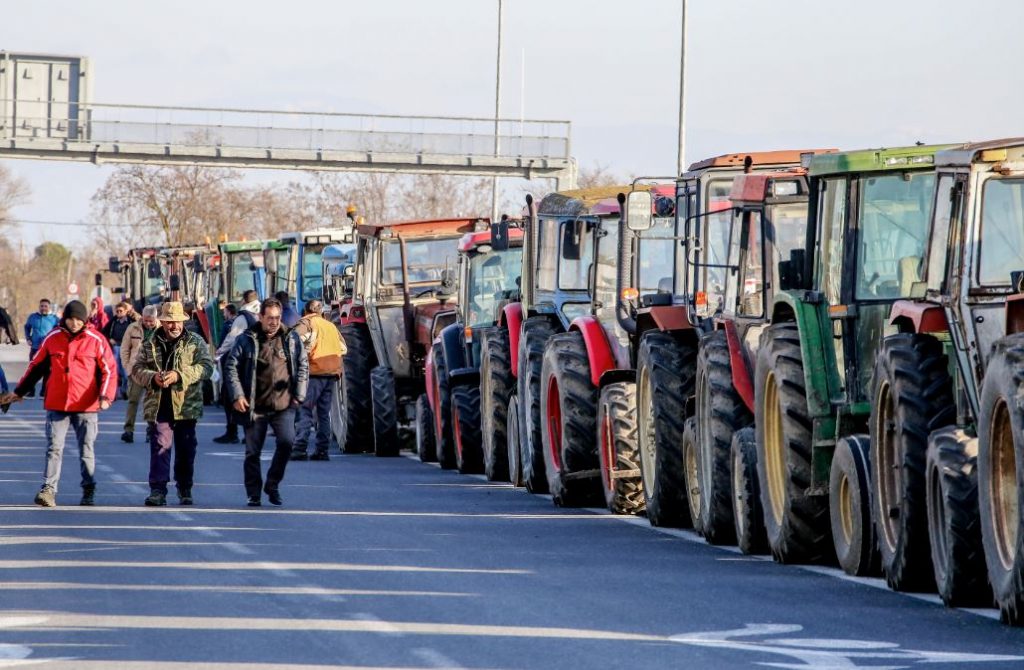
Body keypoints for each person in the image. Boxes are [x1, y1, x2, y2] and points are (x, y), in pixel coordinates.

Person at [0, 300, 117, 507]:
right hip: (57, 404)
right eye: (70, 319)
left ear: (84, 320)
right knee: (54, 448)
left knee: (86, 449)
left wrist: (105, 396)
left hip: (86, 405)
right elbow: (36, 367)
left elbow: (109, 370)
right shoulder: (53, 338)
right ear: (65, 319)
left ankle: (88, 488)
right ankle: (48, 490)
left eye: (78, 320)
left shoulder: (96, 340)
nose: (74, 323)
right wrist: (19, 392)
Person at [224, 298, 308, 506]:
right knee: (253, 451)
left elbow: (303, 365)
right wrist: (237, 395)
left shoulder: (291, 338)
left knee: (287, 442)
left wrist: (299, 394)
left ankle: (272, 484)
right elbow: (231, 367)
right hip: (255, 406)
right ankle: (253, 493)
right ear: (260, 317)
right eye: (269, 318)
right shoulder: (247, 339)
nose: (274, 322)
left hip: (284, 404)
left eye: (277, 318)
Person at [132, 301, 214, 507]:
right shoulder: (149, 342)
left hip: (187, 406)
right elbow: (137, 370)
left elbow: (206, 368)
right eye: (170, 322)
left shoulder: (195, 341)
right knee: (160, 445)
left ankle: (184, 487)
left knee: (186, 450)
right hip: (159, 404)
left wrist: (179, 375)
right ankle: (158, 490)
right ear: (163, 322)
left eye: (178, 322)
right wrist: (153, 377)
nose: (174, 326)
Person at [291, 300, 346, 461]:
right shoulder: (330, 326)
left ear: (306, 311)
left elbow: (293, 342)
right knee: (323, 414)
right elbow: (343, 348)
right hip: (331, 374)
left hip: (314, 373)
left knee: (305, 410)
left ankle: (300, 448)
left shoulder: (307, 323)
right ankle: (322, 450)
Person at [213, 290, 259, 444]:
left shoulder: (243, 316)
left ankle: (232, 432)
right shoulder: (264, 312)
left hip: (241, 361)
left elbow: (231, 339)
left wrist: (218, 353)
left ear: (244, 300)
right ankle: (251, 433)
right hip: (259, 361)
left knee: (230, 395)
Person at [120, 305, 160, 443]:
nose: (148, 323)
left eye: (151, 321)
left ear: (156, 319)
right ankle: (128, 430)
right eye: (146, 320)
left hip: (154, 371)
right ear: (142, 318)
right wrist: (127, 368)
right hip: (136, 370)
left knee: (152, 402)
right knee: (133, 400)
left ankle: (151, 428)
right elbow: (125, 349)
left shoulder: (162, 329)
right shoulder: (132, 328)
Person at [23, 299, 59, 397]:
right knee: (32, 370)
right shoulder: (33, 317)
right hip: (35, 348)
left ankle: (44, 391)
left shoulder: (54, 319)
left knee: (47, 371)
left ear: (49, 307)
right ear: (39, 307)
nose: (43, 308)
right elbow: (26, 327)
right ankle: (31, 391)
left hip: (48, 349)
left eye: (45, 306)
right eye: (41, 306)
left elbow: (59, 332)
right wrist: (28, 338)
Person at [104, 301, 136, 399]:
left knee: (126, 372)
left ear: (126, 311)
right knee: (116, 370)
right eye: (117, 311)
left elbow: (137, 333)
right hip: (116, 347)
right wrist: (110, 339)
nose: (118, 313)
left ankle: (125, 390)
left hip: (127, 349)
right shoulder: (113, 321)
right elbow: (104, 332)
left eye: (120, 311)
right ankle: (115, 393)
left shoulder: (131, 321)